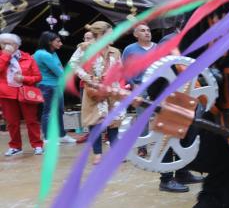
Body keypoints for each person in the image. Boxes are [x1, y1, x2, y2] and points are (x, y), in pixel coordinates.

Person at [122, 23, 202, 192]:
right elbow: (175, 69)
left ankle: (182, 172)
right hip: (168, 94)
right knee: (169, 135)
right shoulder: (170, 41)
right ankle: (166, 179)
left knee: (183, 135)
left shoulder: (184, 41)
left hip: (182, 94)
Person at [68, 21, 124, 165]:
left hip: (112, 89)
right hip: (93, 89)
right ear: (100, 35)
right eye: (110, 33)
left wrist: (117, 84)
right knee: (95, 121)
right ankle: (97, 153)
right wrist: (88, 78)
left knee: (113, 121)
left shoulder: (115, 51)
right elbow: (73, 64)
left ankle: (116, 150)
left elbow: (120, 69)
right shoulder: (85, 48)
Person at [0, 33, 43, 156]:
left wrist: (24, 78)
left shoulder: (28, 57)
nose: (6, 46)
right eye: (4, 43)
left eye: (10, 43)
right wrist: (6, 56)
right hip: (6, 94)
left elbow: (38, 77)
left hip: (26, 93)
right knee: (12, 122)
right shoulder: (1, 56)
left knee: (31, 121)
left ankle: (37, 145)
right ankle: (15, 146)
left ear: (17, 45)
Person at [33, 31, 76, 145]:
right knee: (48, 112)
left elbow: (60, 69)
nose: (61, 43)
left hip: (56, 85)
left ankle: (61, 135)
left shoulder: (52, 53)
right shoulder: (43, 54)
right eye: (58, 41)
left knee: (59, 111)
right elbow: (60, 72)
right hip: (47, 86)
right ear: (49, 42)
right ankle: (48, 138)